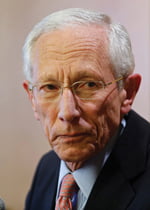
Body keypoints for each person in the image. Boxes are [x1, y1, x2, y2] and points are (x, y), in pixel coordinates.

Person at [22, 8, 150, 210]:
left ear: (128, 91)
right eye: (50, 87)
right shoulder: (47, 168)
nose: (67, 112)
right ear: (32, 98)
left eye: (89, 85)